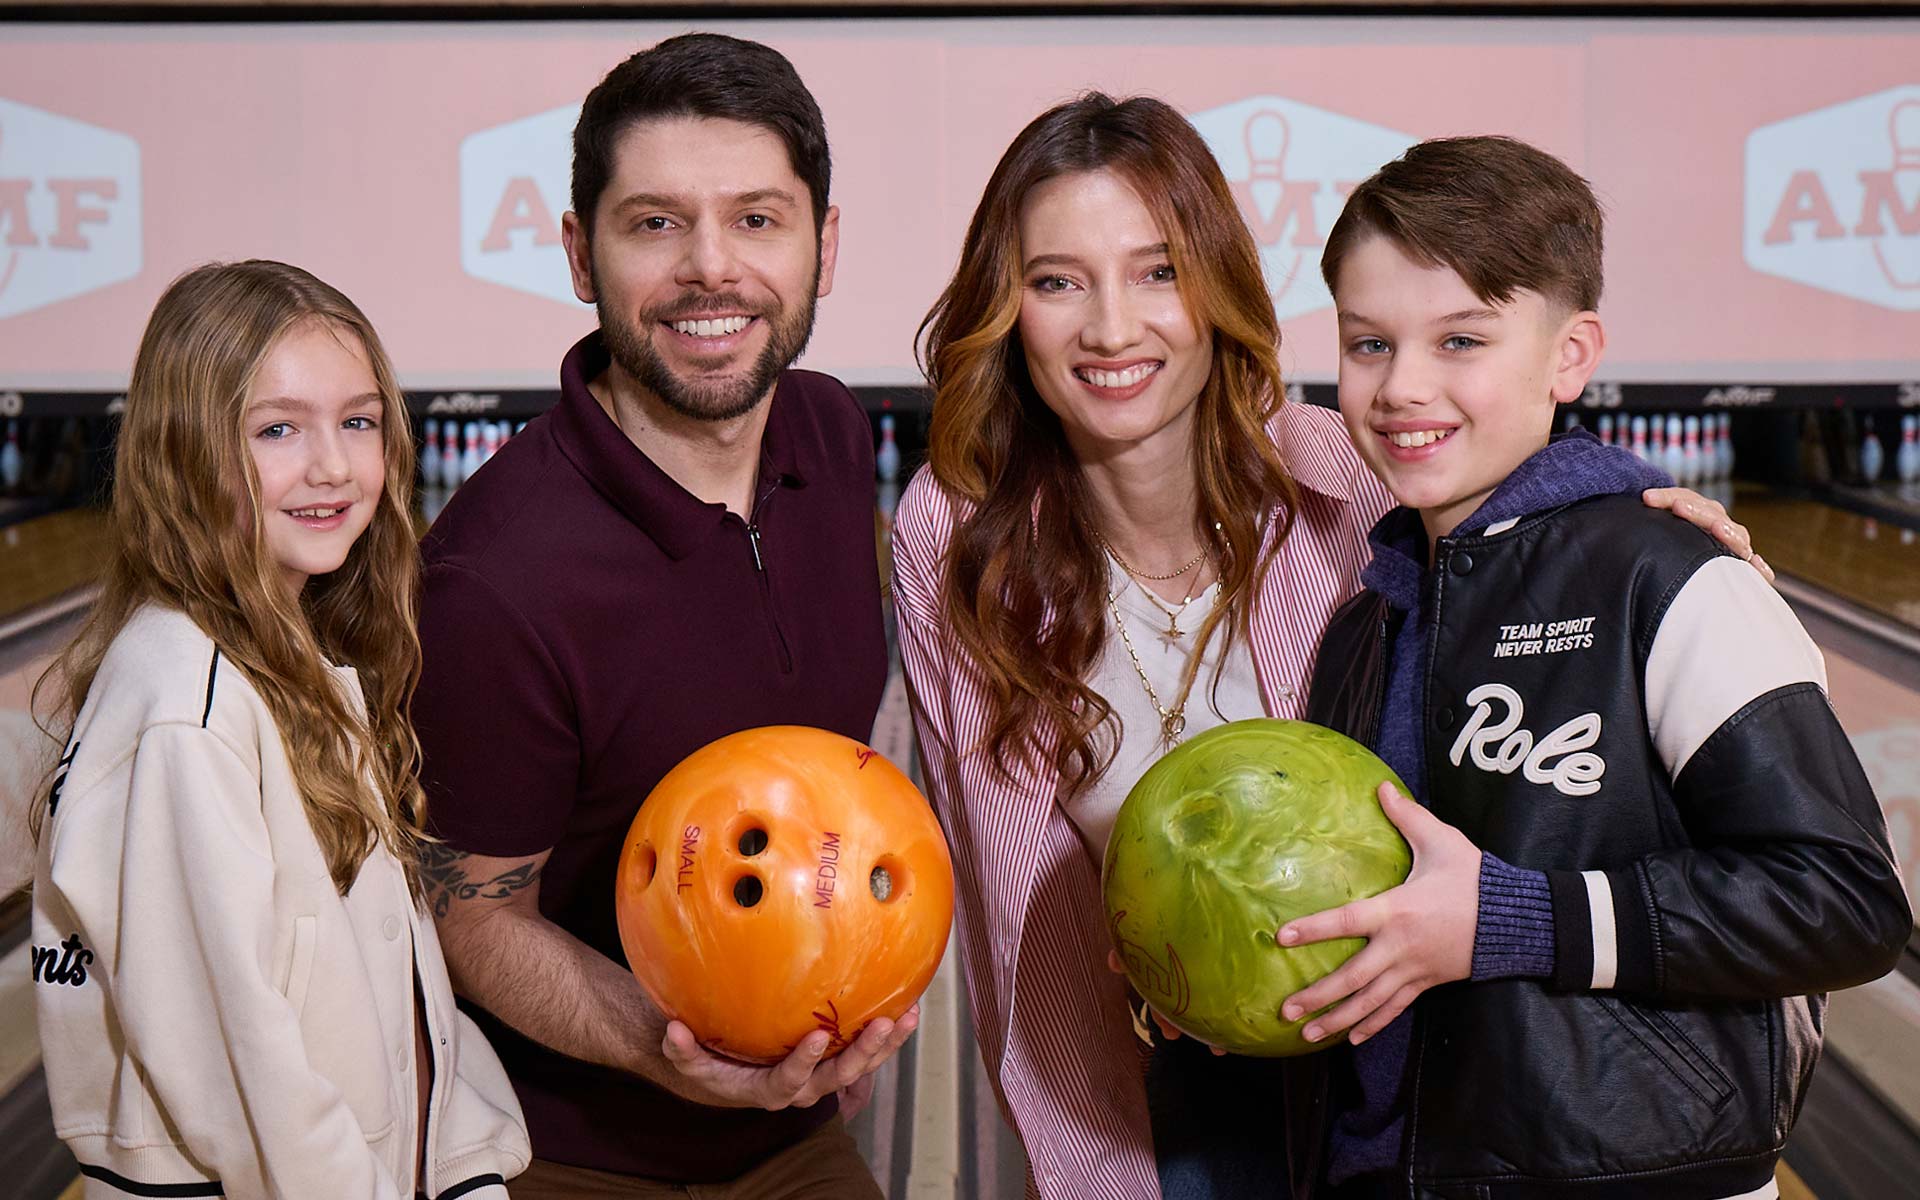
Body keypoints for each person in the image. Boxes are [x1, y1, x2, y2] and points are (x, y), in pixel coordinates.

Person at [890, 94, 1771, 1200]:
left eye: (1159, 271)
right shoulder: (957, 528)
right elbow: (1008, 873)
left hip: (1397, 1067)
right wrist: (1126, 1081)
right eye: (1055, 279)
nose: (1113, 327)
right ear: (1006, 306)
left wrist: (1639, 513)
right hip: (1155, 1083)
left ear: (1216, 285)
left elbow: (1531, 527)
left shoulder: (1354, 469)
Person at [1270, 134, 1914, 1200]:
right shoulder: (1364, 625)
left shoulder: (1667, 579)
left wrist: (1518, 920)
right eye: (1369, 344)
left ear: (1571, 355)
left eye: (1462, 340)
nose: (1403, 386)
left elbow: (1847, 901)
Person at [410, 34, 909, 1199]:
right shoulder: (495, 578)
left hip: (791, 1134)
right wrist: (675, 1053)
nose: (710, 270)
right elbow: (471, 918)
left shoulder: (831, 440)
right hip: (572, 1154)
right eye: (654, 224)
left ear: (823, 247)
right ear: (581, 252)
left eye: (757, 219)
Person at [29, 260, 530, 1199]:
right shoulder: (186, 703)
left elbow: (392, 990)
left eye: (358, 420)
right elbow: (242, 1070)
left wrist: (466, 1166)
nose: (334, 466)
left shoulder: (294, 663)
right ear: (183, 451)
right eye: (277, 430)